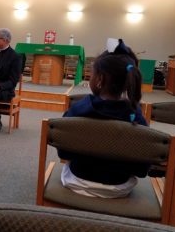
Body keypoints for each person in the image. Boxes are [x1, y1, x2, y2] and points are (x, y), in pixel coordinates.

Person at [59, 38, 148, 198]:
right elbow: (141, 170)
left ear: (99, 79)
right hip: (118, 187)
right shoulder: (136, 116)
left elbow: (64, 153)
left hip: (78, 181)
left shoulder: (78, 108)